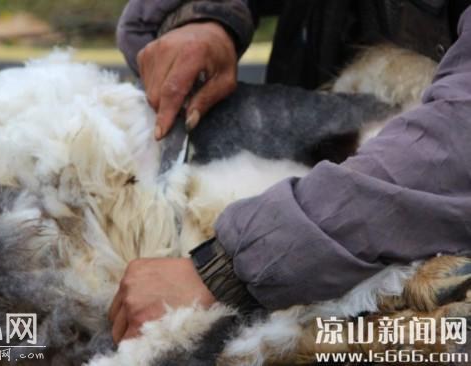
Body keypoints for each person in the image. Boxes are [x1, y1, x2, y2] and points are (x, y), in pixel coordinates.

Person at [108, 0, 471, 344]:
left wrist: (227, 270)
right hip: (330, 162)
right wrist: (204, 17)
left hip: (415, 224)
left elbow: (458, 139)